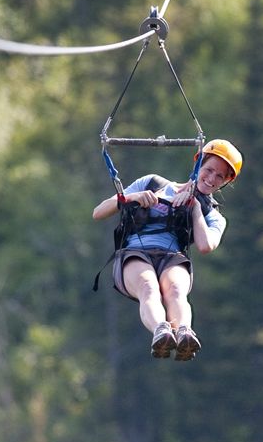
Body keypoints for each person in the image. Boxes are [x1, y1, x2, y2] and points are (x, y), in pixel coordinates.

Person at [93, 139, 243, 361]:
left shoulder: (214, 216)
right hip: (136, 252)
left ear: (226, 181)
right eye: (209, 170)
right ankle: (161, 330)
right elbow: (99, 212)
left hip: (171, 257)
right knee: (148, 287)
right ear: (197, 164)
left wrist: (195, 209)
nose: (211, 179)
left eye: (219, 176)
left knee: (175, 291)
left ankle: (184, 332)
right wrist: (132, 197)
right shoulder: (153, 183)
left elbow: (204, 246)